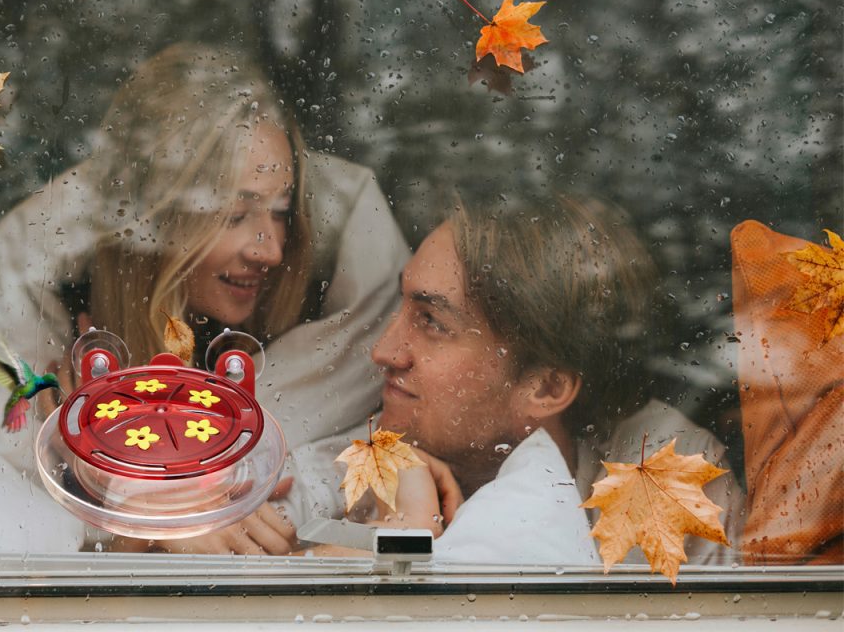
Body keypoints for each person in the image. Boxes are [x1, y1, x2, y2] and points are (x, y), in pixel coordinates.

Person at [0, 44, 409, 554]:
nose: (269, 250)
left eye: (280, 212)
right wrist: (131, 501)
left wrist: (162, 496)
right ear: (155, 221)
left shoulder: (342, 331)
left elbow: (337, 472)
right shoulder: (43, 313)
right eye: (234, 214)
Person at [287, 194, 742, 566]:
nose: (383, 351)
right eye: (400, 307)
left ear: (546, 388)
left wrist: (401, 547)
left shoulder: (668, 481)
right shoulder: (353, 468)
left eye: (430, 321)